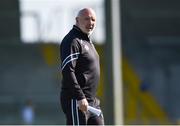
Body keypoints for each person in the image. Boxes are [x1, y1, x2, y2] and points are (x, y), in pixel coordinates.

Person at [60, 8, 104, 125]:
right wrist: (79, 97)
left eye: (93, 19)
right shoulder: (72, 40)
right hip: (77, 101)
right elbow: (67, 70)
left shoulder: (87, 41)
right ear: (77, 20)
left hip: (92, 102)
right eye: (86, 19)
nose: (90, 23)